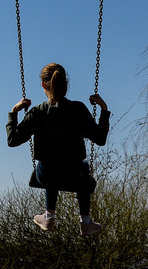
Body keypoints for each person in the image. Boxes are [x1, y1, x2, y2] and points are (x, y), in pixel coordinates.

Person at [7, 63, 110, 237]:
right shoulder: (78, 109)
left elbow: (12, 140)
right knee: (82, 168)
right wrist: (104, 110)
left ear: (43, 85)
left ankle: (49, 216)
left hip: (46, 175)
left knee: (51, 164)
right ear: (65, 84)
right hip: (75, 175)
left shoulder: (37, 112)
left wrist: (13, 113)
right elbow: (100, 139)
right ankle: (85, 222)